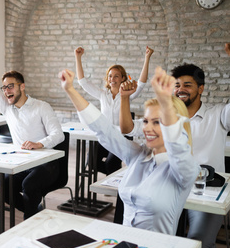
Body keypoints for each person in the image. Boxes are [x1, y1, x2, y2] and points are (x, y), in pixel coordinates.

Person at [120, 56, 230, 248]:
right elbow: (129, 130)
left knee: (198, 240)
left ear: (201, 88)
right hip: (168, 182)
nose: (181, 89)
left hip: (203, 188)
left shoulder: (218, 114)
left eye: (187, 85)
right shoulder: (164, 116)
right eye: (177, 85)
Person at [61, 66, 199, 235]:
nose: (147, 128)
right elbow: (104, 130)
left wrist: (166, 104)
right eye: (146, 121)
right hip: (124, 246)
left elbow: (178, 148)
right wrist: (70, 90)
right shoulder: (138, 155)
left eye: (157, 122)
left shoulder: (185, 169)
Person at [0, 46, 64, 220]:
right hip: (22, 163)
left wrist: (39, 144)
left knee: (29, 184)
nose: (7, 90)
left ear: (22, 86)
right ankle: (35, 215)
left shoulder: (41, 106)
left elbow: (59, 134)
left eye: (11, 86)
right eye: (4, 88)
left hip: (47, 164)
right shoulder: (7, 108)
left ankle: (30, 223)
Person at [75, 46, 154, 224]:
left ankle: (120, 190)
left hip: (122, 137)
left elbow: (141, 82)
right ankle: (120, 177)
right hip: (105, 135)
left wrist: (147, 57)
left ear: (123, 78)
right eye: (110, 76)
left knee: (111, 162)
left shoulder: (127, 94)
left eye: (116, 76)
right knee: (92, 163)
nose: (112, 78)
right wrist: (77, 57)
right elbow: (82, 82)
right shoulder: (103, 94)